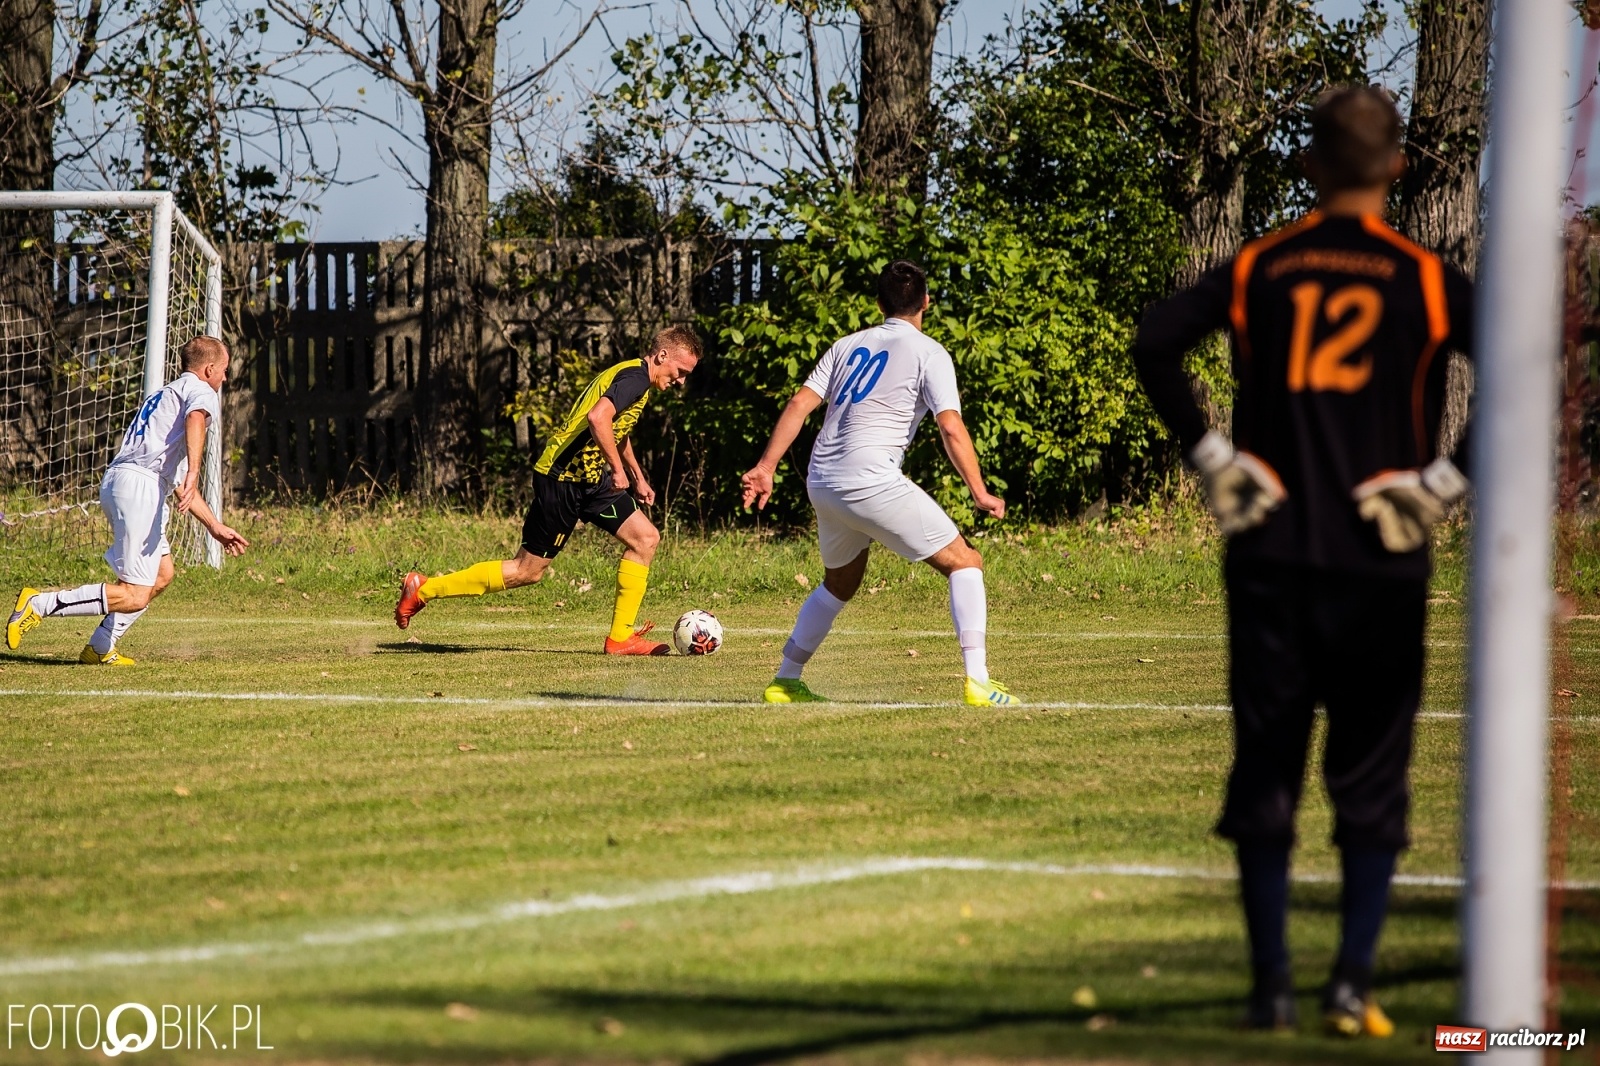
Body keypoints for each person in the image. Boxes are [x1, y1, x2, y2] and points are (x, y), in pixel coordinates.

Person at [1131, 86, 1474, 1037]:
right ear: (1397, 167)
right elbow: (1530, 365)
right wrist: (1444, 483)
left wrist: (1213, 457)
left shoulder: (1261, 266)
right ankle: (1351, 984)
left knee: (1268, 766)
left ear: (1309, 166)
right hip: (1381, 561)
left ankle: (1271, 989)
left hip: (1273, 556)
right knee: (1371, 774)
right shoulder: (1425, 276)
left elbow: (1155, 342)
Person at [741, 260, 1019, 707]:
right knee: (965, 562)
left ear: (878, 303)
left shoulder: (846, 345)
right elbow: (950, 427)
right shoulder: (930, 352)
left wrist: (765, 466)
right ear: (927, 301)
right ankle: (979, 683)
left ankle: (785, 680)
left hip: (822, 479)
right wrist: (980, 492)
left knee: (841, 582)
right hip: (870, 479)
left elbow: (798, 404)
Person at [395, 326, 702, 654]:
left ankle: (620, 638)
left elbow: (616, 429)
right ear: (662, 355)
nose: (682, 381)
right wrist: (616, 469)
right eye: (681, 371)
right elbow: (598, 418)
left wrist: (636, 476)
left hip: (590, 479)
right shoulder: (635, 379)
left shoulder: (636, 379)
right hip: (563, 478)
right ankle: (424, 589)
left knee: (645, 539)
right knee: (527, 571)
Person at [7, 336, 251, 664]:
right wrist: (196, 470)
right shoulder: (200, 390)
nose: (225, 377)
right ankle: (38, 604)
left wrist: (214, 526)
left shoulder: (166, 395)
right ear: (209, 369)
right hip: (140, 487)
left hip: (126, 480)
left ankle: (100, 646)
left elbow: (179, 486)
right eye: (223, 370)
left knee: (162, 575)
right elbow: (196, 420)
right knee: (134, 595)